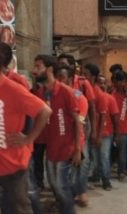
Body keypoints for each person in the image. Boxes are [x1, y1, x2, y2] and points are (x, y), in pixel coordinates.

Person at [0, 41, 51, 214]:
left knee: (17, 209)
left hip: (13, 166)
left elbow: (44, 111)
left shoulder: (12, 88)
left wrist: (28, 138)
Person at [31, 54, 82, 214]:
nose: (34, 71)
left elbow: (77, 121)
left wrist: (78, 149)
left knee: (61, 186)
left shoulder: (66, 92)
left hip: (65, 150)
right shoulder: (40, 94)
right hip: (51, 151)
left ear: (50, 69)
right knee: (55, 186)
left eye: (38, 67)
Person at [55, 65, 90, 207]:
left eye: (62, 78)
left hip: (73, 144)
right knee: (61, 180)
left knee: (64, 179)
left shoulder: (79, 98)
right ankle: (66, 202)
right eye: (57, 78)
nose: (59, 81)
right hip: (58, 144)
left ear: (70, 79)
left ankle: (71, 202)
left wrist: (78, 148)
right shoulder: (53, 96)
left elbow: (79, 125)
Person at [93, 75, 119, 190]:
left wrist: (117, 134)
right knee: (95, 157)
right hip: (94, 133)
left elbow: (115, 118)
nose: (101, 85)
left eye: (103, 83)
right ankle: (96, 176)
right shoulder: (92, 99)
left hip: (106, 134)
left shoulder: (110, 99)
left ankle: (106, 181)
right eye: (99, 82)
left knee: (104, 157)